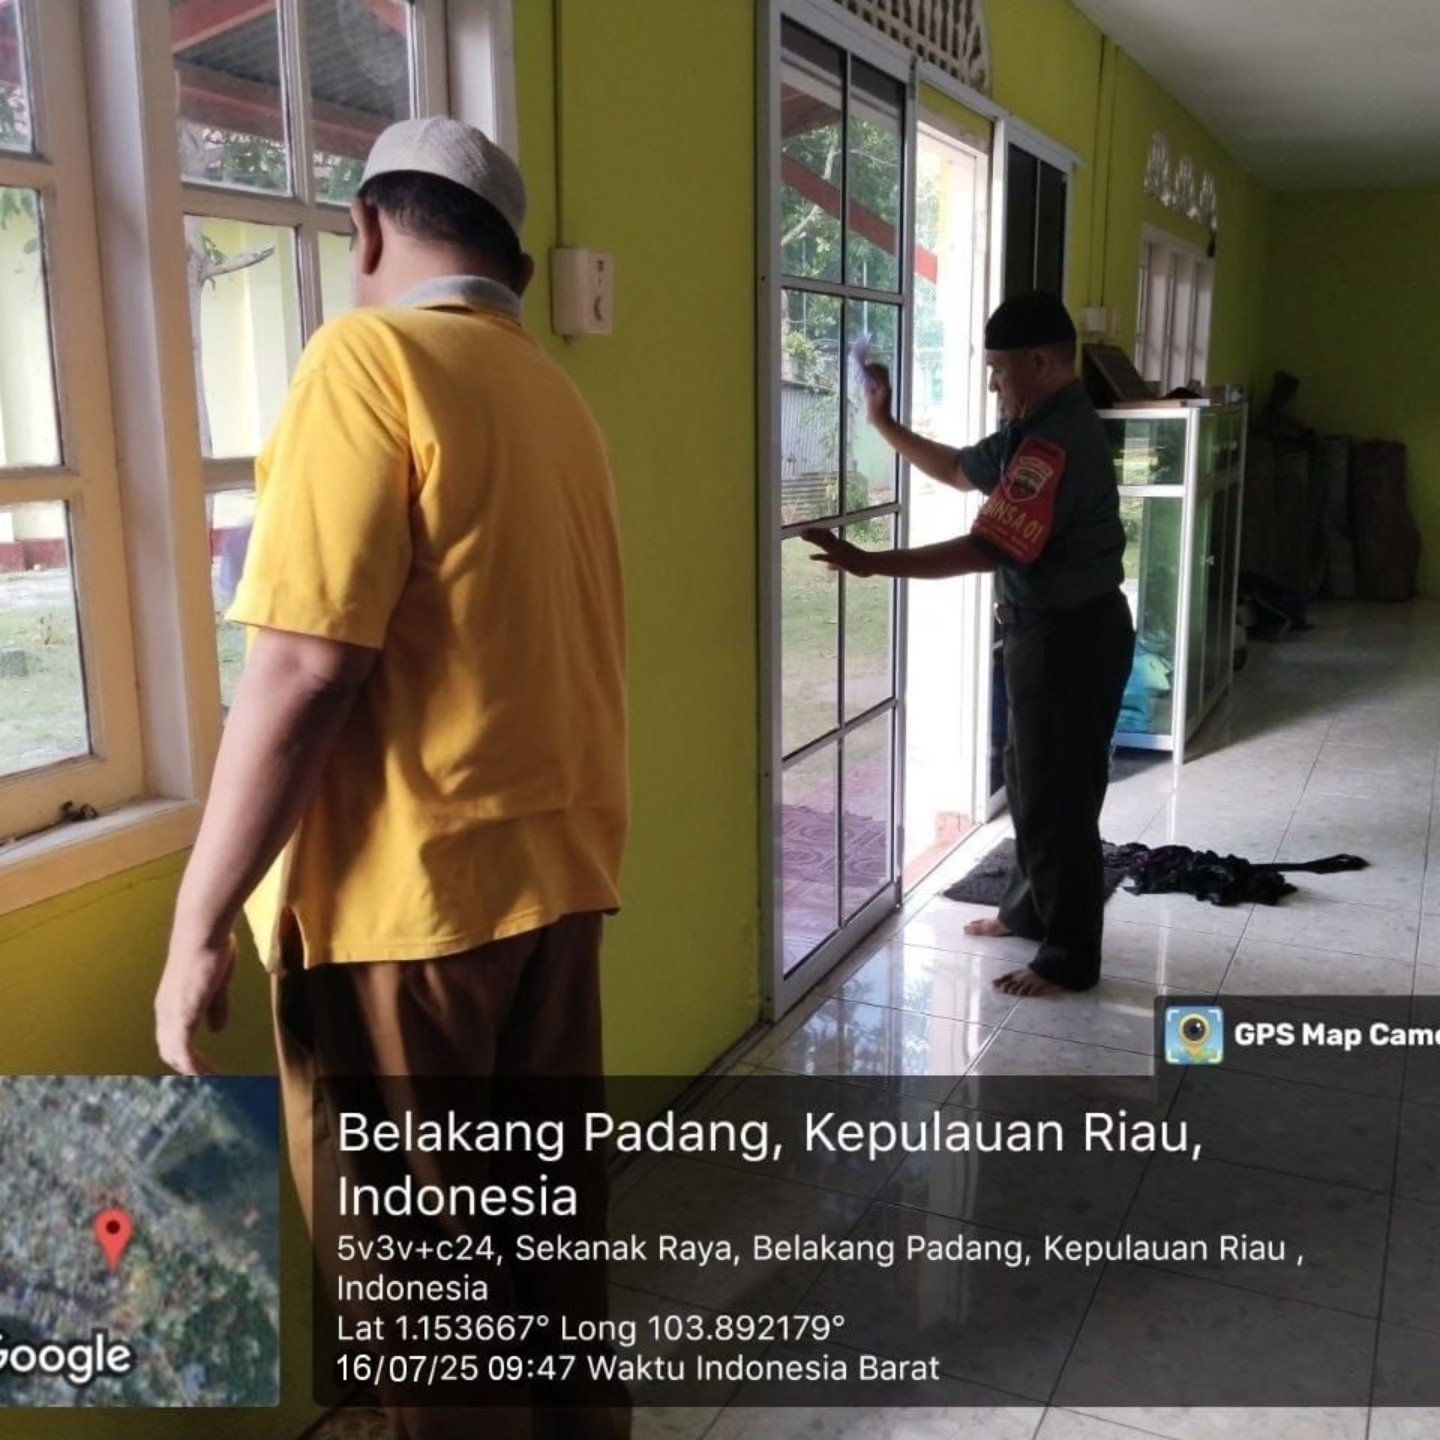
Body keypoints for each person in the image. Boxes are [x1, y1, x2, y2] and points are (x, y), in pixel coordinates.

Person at [152, 118, 630, 1438]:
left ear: (366, 229)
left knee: (429, 1298)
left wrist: (197, 925)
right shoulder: (552, 397)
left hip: (400, 920)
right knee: (548, 1257)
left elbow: (305, 667)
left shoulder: (368, 360)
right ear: (511, 264)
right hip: (555, 891)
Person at [805, 290, 1133, 997]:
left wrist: (871, 563)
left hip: (1072, 638)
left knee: (1061, 798)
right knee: (1029, 781)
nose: (993, 385)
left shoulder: (1058, 443)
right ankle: (1028, 911)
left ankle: (1070, 959)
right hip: (1045, 631)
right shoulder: (1031, 426)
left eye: (999, 371)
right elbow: (958, 469)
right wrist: (883, 421)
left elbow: (988, 546)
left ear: (1040, 363)